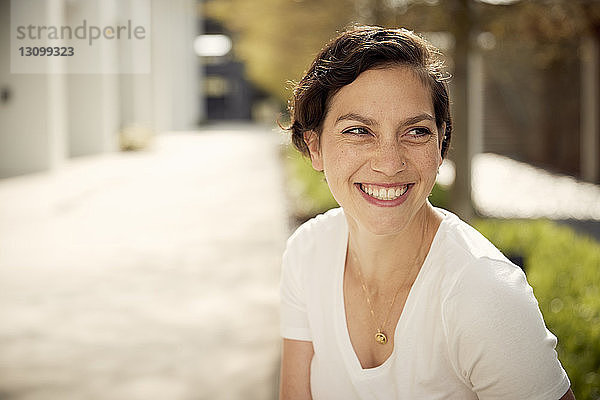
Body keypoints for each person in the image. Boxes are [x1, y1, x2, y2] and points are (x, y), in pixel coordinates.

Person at [279, 26, 575, 400]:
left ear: (441, 145)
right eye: (358, 131)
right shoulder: (307, 253)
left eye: (416, 132)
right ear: (316, 146)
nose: (389, 163)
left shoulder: (484, 294)